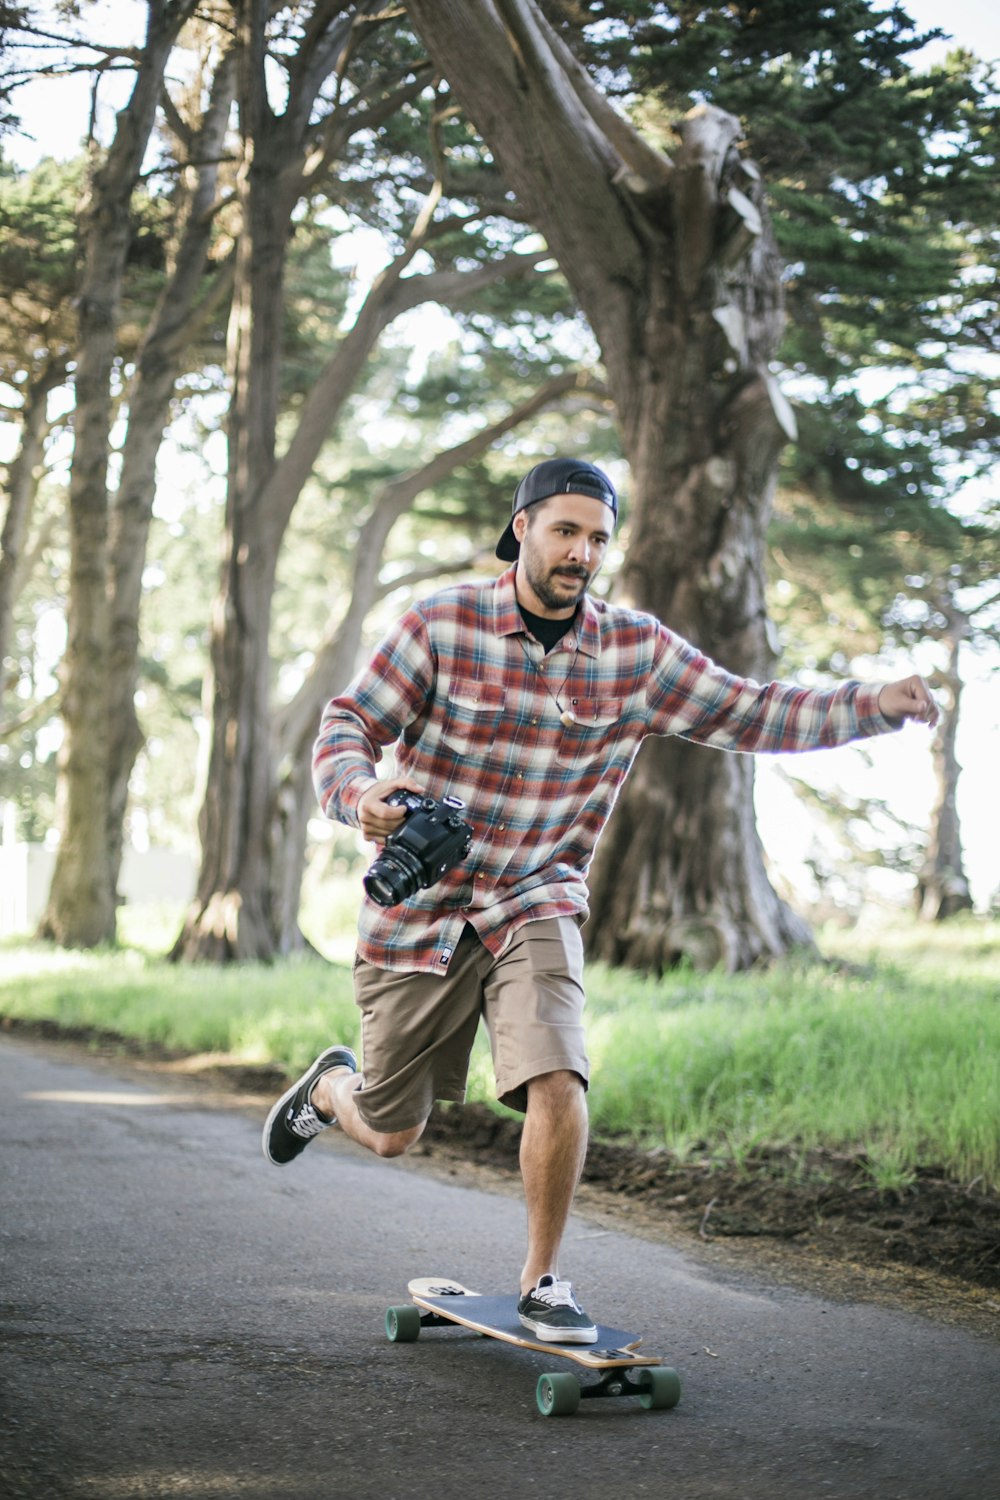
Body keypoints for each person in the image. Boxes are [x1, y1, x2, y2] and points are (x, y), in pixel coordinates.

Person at [262, 456, 938, 1342]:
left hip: (534, 898)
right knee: (391, 1131)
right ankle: (331, 1090)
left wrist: (874, 703)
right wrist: (359, 795)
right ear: (522, 530)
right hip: (420, 912)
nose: (582, 552)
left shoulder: (635, 653)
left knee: (558, 1069)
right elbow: (349, 721)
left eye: (597, 538)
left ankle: (544, 1281)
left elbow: (752, 711)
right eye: (565, 531)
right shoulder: (440, 624)